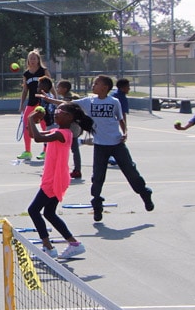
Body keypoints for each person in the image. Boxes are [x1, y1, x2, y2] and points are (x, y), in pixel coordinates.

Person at [43, 75, 154, 221]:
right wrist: (49, 99)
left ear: (105, 87)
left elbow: (120, 119)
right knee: (97, 178)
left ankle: (144, 193)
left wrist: (125, 132)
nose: (93, 85)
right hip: (100, 146)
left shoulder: (114, 102)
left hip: (117, 144)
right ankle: (97, 205)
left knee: (130, 171)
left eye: (96, 83)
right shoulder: (89, 101)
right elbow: (67, 103)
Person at [26, 102, 94, 259]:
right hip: (54, 177)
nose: (56, 113)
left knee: (33, 210)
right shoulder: (57, 131)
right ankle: (74, 244)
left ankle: (48, 248)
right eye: (56, 110)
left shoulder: (64, 133)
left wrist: (30, 118)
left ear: (69, 117)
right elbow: (34, 135)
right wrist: (33, 121)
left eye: (60, 111)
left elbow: (38, 138)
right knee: (49, 213)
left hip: (54, 179)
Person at [18, 50, 49, 160]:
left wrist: (54, 98)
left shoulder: (43, 71)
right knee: (27, 126)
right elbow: (25, 90)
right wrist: (21, 104)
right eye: (30, 58)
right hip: (31, 102)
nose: (32, 60)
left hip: (43, 102)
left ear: (38, 60)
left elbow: (50, 86)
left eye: (34, 58)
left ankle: (46, 151)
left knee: (45, 126)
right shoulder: (26, 74)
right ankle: (27, 151)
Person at [56, 80, 83, 179]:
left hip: (71, 128)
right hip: (74, 127)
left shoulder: (70, 98)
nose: (57, 89)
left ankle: (73, 170)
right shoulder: (71, 97)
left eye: (58, 87)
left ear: (65, 89)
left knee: (68, 149)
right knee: (73, 150)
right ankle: (76, 169)